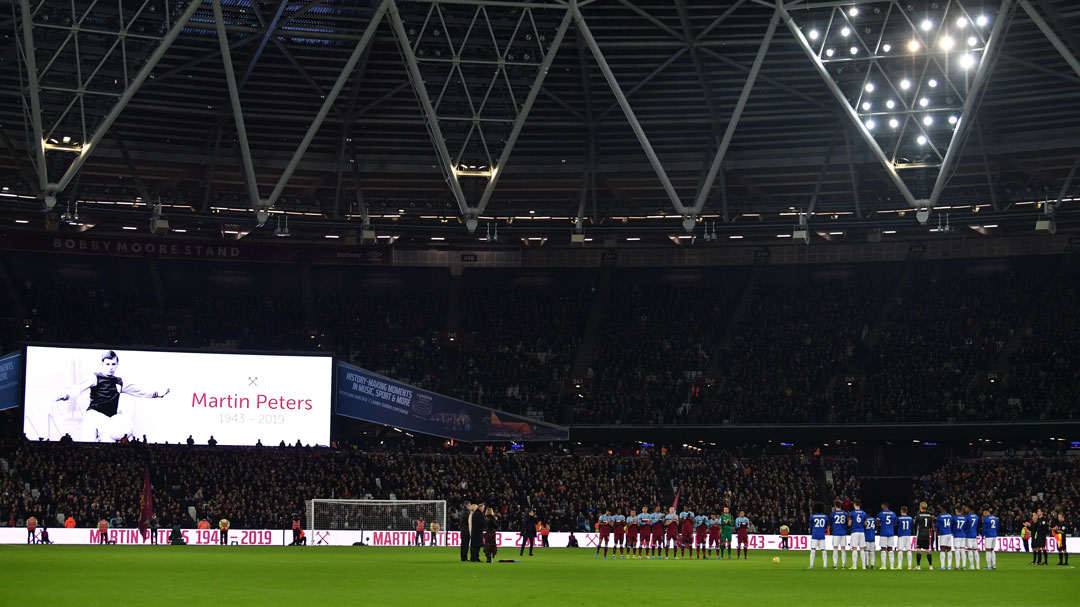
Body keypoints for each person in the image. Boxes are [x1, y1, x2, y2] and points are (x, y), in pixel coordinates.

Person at [56, 350, 170, 442]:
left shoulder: (119, 382)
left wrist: (156, 394)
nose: (110, 367)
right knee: (87, 445)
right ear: (102, 364)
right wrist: (67, 395)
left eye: (113, 364)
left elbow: (138, 390)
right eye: (107, 364)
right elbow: (79, 387)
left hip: (109, 420)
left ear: (117, 364)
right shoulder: (95, 377)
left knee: (108, 446)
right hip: (93, 416)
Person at [914, 502, 935, 570]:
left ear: (920, 507)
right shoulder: (929, 516)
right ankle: (931, 566)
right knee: (927, 550)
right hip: (927, 534)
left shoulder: (918, 515)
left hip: (920, 533)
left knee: (918, 549)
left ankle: (918, 566)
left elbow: (915, 525)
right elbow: (930, 526)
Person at [848, 500, 868, 570]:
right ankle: (863, 566)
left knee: (854, 548)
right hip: (862, 532)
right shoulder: (864, 513)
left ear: (854, 504)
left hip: (855, 532)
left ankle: (854, 565)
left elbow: (849, 524)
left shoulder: (852, 513)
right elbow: (866, 524)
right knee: (862, 549)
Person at [808, 502, 828, 570]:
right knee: (823, 551)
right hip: (822, 535)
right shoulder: (825, 517)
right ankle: (825, 565)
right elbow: (826, 526)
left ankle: (811, 565)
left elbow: (810, 526)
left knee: (813, 550)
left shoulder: (812, 517)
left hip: (815, 535)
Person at [830, 500, 849, 569]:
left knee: (835, 548)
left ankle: (835, 564)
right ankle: (843, 564)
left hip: (836, 533)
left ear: (835, 506)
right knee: (843, 548)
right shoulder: (845, 513)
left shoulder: (833, 514)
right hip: (843, 532)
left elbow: (831, 523)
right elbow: (847, 523)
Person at [878, 502, 896, 570]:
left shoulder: (880, 514)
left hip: (883, 533)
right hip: (891, 533)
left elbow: (877, 523)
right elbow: (895, 523)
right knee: (890, 549)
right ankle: (892, 566)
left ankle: (883, 566)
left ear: (883, 506)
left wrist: (881, 525)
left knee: (883, 549)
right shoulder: (893, 513)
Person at [981, 505, 999, 570]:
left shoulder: (985, 519)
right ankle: (994, 565)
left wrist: (982, 536)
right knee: (992, 550)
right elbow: (997, 528)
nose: (983, 514)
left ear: (986, 512)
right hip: (994, 535)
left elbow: (984, 529)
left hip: (988, 535)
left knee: (988, 550)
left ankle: (988, 566)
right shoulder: (995, 518)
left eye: (983, 512)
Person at [936, 506, 953, 570]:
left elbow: (937, 526)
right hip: (949, 533)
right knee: (949, 549)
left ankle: (942, 566)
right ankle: (949, 566)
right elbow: (951, 525)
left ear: (942, 509)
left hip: (943, 533)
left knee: (942, 549)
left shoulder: (940, 517)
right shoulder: (950, 516)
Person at [897, 505, 914, 570]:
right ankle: (909, 566)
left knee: (900, 550)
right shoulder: (910, 518)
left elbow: (896, 525)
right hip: (907, 535)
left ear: (901, 511)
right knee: (909, 550)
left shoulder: (899, 518)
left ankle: (899, 566)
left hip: (901, 535)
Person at [966, 505, 980, 570]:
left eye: (966, 508)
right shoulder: (977, 517)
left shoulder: (967, 517)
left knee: (970, 550)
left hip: (969, 535)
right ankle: (978, 566)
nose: (966, 509)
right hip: (974, 535)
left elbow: (966, 527)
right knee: (976, 550)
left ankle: (972, 566)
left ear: (969, 509)